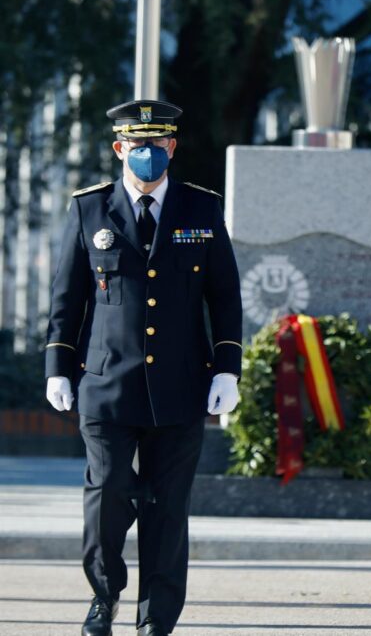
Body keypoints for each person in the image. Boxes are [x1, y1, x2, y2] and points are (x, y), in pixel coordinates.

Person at [43, 100, 243, 636]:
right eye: (137, 145)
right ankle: (104, 597)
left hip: (181, 385)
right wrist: (57, 366)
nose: (148, 154)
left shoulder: (201, 209)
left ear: (172, 148)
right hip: (106, 384)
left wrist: (228, 368)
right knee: (107, 492)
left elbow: (224, 296)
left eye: (157, 145)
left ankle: (156, 616)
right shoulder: (89, 210)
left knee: (168, 508)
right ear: (118, 149)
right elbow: (67, 298)